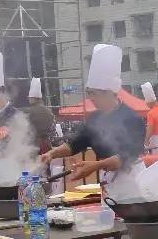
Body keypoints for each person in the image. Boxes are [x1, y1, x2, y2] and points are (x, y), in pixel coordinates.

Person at [41, 45, 148, 199]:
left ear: (109, 92)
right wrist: (52, 153)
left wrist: (95, 166)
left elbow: (124, 157)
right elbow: (76, 143)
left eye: (93, 93)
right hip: (108, 179)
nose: (91, 98)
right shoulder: (94, 118)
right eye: (89, 92)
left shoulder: (132, 119)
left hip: (132, 179)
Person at [24, 78, 57, 154]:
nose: (28, 99)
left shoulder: (30, 111)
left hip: (35, 146)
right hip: (48, 145)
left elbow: (26, 130)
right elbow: (53, 127)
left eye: (29, 97)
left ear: (33, 98)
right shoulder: (49, 111)